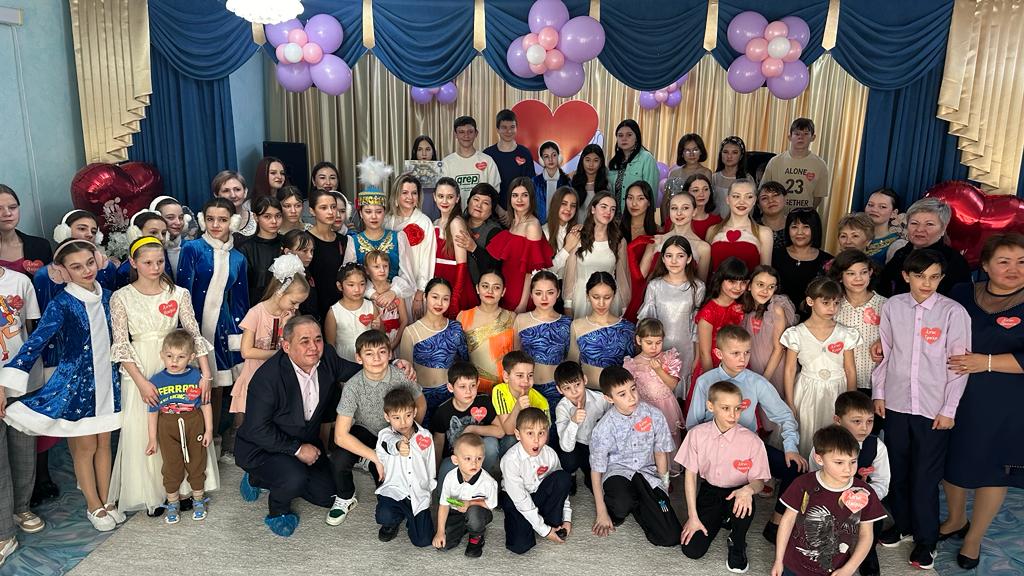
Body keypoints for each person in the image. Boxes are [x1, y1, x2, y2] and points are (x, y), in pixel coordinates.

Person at [1, 239, 123, 532]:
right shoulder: (62, 303)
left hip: (109, 382)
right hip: (77, 385)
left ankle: (107, 500)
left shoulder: (109, 298)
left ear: (97, 260)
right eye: (76, 267)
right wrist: (8, 380)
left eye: (89, 263)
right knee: (85, 446)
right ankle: (93, 505)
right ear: (64, 272)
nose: (86, 271)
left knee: (104, 442)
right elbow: (35, 342)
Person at [872, 249, 971, 569]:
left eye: (934, 277)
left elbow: (959, 365)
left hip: (933, 408)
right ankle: (902, 526)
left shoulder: (953, 313)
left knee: (925, 477)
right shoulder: (893, 306)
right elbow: (886, 354)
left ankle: (926, 540)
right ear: (906, 276)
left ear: (942, 278)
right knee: (897, 470)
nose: (926, 283)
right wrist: (879, 393)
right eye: (919, 276)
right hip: (897, 402)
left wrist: (949, 409)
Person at [108, 236, 217, 514]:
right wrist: (141, 382)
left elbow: (193, 333)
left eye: (159, 262)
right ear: (133, 263)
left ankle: (185, 490)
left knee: (183, 420)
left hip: (176, 360)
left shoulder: (178, 293)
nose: (155, 268)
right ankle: (153, 493)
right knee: (145, 426)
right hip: (141, 366)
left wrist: (205, 374)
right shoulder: (121, 297)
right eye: (147, 263)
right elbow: (121, 343)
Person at [941, 233, 1024, 570]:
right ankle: (956, 519)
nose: (1014, 269)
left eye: (1022, 262)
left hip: (1006, 401)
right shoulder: (962, 293)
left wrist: (985, 362)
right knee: (952, 459)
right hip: (954, 393)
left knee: (993, 469)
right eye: (1004, 261)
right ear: (986, 265)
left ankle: (974, 537)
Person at [235, 318, 360, 536]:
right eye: (304, 341)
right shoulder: (267, 378)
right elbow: (257, 429)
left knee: (327, 495)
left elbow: (359, 372)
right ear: (286, 346)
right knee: (294, 478)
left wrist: (393, 366)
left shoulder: (327, 357)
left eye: (318, 339)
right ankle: (276, 509)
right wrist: (297, 450)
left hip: (306, 441)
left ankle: (270, 478)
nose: (313, 347)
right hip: (262, 448)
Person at [687, 325, 808, 543]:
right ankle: (720, 508)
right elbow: (693, 424)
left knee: (795, 468)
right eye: (735, 353)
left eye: (747, 352)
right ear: (719, 353)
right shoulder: (705, 382)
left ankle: (776, 522)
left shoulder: (756, 382)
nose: (742, 359)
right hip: (715, 451)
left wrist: (790, 447)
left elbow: (785, 416)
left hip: (748, 451)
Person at [329, 330, 423, 528]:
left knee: (389, 488)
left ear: (390, 354)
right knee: (339, 458)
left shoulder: (400, 377)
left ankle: (375, 469)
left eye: (382, 352)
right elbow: (340, 436)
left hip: (394, 431)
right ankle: (345, 496)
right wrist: (376, 457)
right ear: (359, 358)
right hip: (365, 430)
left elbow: (420, 403)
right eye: (369, 354)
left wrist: (410, 432)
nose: (376, 358)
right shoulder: (353, 386)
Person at [176, 198, 248, 444]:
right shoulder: (192, 249)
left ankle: (213, 440)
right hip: (194, 324)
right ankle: (189, 442)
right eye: (210, 219)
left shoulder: (238, 258)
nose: (216, 225)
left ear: (232, 222)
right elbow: (182, 291)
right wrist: (185, 330)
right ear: (202, 220)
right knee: (190, 382)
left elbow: (240, 302)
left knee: (216, 386)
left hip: (222, 328)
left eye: (222, 220)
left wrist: (238, 337)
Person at [678, 381, 770, 572]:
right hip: (710, 491)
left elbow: (759, 481)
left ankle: (737, 541)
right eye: (725, 408)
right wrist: (692, 517)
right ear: (710, 406)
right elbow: (690, 477)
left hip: (739, 492)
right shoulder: (696, 435)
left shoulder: (752, 441)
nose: (733, 415)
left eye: (737, 408)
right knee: (692, 550)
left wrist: (748, 490)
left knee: (744, 504)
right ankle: (722, 518)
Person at [772, 425, 886, 576]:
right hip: (793, 565)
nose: (848, 469)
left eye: (853, 461)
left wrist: (849, 568)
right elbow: (787, 521)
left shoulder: (864, 492)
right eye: (839, 462)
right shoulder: (803, 484)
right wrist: (778, 560)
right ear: (819, 459)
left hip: (836, 568)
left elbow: (866, 535)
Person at [589, 366, 680, 547]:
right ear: (609, 398)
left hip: (647, 473)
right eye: (622, 394)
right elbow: (596, 470)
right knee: (621, 506)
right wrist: (601, 512)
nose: (631, 397)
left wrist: (664, 487)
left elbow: (661, 453)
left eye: (633, 389)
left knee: (670, 537)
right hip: (618, 473)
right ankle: (626, 504)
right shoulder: (603, 428)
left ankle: (641, 505)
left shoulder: (654, 415)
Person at [229, 255, 309, 448]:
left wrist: (288, 325)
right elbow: (246, 351)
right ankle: (240, 450)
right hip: (254, 375)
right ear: (280, 292)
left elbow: (293, 348)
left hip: (277, 379)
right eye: (294, 302)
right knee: (246, 420)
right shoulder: (256, 313)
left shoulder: (290, 316)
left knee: (271, 421)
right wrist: (276, 354)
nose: (296, 307)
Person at [808, 392, 890, 576]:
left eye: (870, 421)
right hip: (828, 500)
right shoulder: (823, 445)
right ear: (838, 420)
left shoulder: (877, 447)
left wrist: (864, 498)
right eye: (857, 421)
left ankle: (867, 554)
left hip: (862, 502)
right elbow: (813, 478)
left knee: (874, 517)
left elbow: (882, 482)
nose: (864, 428)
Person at [782, 277, 859, 456]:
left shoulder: (845, 333)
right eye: (826, 303)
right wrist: (790, 401)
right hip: (806, 391)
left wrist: (852, 401)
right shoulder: (796, 333)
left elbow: (850, 369)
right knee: (806, 431)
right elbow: (790, 369)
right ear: (810, 301)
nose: (832, 308)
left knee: (835, 437)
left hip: (837, 390)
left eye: (836, 303)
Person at [144, 330, 213, 524]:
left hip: (193, 422)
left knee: (197, 461)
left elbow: (206, 404)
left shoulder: (197, 377)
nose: (174, 361)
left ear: (191, 357)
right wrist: (152, 438)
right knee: (171, 465)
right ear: (162, 355)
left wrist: (208, 430)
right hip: (167, 425)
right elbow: (152, 411)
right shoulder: (156, 381)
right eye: (169, 356)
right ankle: (173, 502)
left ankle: (198, 499)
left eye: (181, 357)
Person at [0, 260, 44, 556]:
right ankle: (4, 532)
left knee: (23, 446)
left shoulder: (19, 281)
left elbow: (28, 331)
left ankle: (21, 508)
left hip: (21, 378)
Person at [638, 236, 705, 400]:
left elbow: (697, 327)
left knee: (681, 394)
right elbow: (647, 323)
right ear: (663, 258)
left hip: (686, 348)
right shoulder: (655, 285)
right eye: (669, 256)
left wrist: (697, 356)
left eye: (680, 256)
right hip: (659, 348)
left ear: (689, 258)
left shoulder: (697, 287)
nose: (674, 261)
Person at [499, 407, 572, 554]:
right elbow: (521, 500)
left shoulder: (550, 454)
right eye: (530, 433)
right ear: (518, 435)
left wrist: (567, 518)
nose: (536, 440)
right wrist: (544, 531)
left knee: (563, 477)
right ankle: (534, 523)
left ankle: (547, 520)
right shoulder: (510, 460)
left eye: (541, 433)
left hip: (539, 493)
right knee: (520, 546)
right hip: (516, 500)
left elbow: (562, 487)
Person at [345, 159, 416, 305]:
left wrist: (393, 292)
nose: (373, 216)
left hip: (396, 302)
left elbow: (408, 275)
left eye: (378, 211)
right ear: (361, 214)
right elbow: (348, 276)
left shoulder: (398, 237)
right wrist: (372, 294)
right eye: (368, 212)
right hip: (364, 302)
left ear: (384, 213)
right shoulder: (353, 242)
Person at [399, 278, 468, 427]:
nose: (439, 303)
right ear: (425, 297)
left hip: (451, 397)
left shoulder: (456, 328)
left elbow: (465, 363)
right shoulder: (411, 331)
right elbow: (405, 374)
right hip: (421, 398)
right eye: (435, 297)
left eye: (445, 299)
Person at [374, 388, 436, 547]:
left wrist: (428, 493)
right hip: (395, 491)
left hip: (417, 493)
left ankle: (412, 518)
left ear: (414, 412)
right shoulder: (385, 435)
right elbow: (390, 444)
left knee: (423, 541)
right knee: (384, 515)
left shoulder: (426, 436)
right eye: (396, 417)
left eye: (407, 415)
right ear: (387, 417)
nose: (403, 423)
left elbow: (430, 467)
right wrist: (399, 445)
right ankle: (392, 522)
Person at [878, 197, 971, 297]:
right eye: (914, 223)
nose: (919, 229)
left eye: (929, 224)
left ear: (943, 229)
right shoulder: (902, 253)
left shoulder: (954, 262)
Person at [486, 177, 554, 312]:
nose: (519, 200)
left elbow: (531, 271)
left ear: (531, 198)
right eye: (515, 195)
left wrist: (523, 303)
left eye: (524, 195)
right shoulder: (514, 222)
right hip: (506, 285)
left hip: (520, 292)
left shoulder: (532, 225)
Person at [829, 251, 886, 406]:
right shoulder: (833, 306)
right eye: (851, 273)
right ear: (840, 276)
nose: (858, 278)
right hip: (840, 380)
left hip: (875, 383)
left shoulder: (885, 305)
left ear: (871, 273)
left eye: (863, 272)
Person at [429, 361, 503, 480]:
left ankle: (490, 480)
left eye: (472, 385)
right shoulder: (442, 412)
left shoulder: (484, 401)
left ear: (478, 384)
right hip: (457, 459)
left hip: (479, 457)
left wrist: (472, 429)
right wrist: (435, 472)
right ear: (451, 387)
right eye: (462, 386)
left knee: (491, 443)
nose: (468, 391)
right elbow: (438, 444)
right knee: (445, 469)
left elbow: (500, 431)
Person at [564, 192, 630, 318]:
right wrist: (568, 304)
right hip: (581, 298)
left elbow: (622, 277)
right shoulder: (577, 236)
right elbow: (570, 275)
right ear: (593, 209)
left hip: (609, 299)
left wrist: (624, 307)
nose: (608, 212)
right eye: (604, 207)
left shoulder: (619, 241)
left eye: (612, 209)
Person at [623, 318, 684, 456]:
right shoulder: (632, 364)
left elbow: (673, 385)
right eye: (649, 343)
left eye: (658, 342)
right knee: (649, 440)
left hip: (666, 407)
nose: (654, 347)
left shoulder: (668, 358)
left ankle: (669, 466)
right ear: (639, 340)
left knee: (669, 438)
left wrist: (659, 370)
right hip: (645, 409)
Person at [692, 257, 748, 406]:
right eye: (732, 281)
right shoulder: (708, 312)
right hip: (713, 366)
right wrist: (713, 384)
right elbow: (704, 353)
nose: (738, 287)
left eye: (743, 282)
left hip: (736, 364)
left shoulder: (741, 307)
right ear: (720, 280)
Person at [433, 433, 499, 558]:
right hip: (456, 512)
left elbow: (491, 504)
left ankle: (476, 537)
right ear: (455, 460)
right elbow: (444, 504)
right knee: (442, 545)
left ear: (483, 458)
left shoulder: (488, 482)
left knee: (474, 515)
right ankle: (463, 527)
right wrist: (440, 532)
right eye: (468, 459)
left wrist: (469, 503)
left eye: (478, 458)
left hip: (479, 512)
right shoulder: (450, 478)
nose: (474, 464)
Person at [515, 271, 572, 408]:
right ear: (531, 294)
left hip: (557, 388)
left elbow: (570, 359)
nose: (544, 298)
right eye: (538, 293)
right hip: (527, 388)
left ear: (558, 293)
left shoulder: (567, 323)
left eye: (550, 293)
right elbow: (515, 357)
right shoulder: (521, 320)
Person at [568, 272, 636, 389]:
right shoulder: (577, 325)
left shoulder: (627, 328)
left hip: (618, 394)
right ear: (587, 295)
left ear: (614, 295)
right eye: (595, 297)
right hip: (587, 393)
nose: (601, 303)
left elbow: (633, 367)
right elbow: (572, 366)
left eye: (607, 297)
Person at [553, 360, 609, 493]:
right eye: (567, 388)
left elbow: (613, 421)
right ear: (559, 390)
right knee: (568, 460)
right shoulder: (562, 408)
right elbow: (566, 447)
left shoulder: (600, 399)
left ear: (585, 379)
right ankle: (571, 474)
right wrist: (573, 422)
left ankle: (587, 473)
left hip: (595, 445)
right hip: (576, 445)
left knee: (596, 484)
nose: (574, 391)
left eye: (577, 384)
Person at [385, 173, 436, 318]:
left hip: (413, 291)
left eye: (414, 193)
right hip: (388, 289)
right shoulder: (387, 221)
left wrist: (419, 295)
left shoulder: (424, 222)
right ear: (396, 195)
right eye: (405, 193)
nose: (410, 197)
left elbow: (427, 261)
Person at [742, 265, 795, 397]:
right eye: (760, 285)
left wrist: (763, 380)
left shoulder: (776, 309)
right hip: (751, 365)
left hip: (773, 368)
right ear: (749, 285)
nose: (765, 291)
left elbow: (779, 349)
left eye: (771, 287)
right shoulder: (745, 309)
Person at [457, 271, 515, 393]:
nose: (490, 291)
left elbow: (517, 358)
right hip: (472, 388)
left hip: (505, 388)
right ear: (477, 288)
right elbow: (458, 357)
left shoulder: (512, 318)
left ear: (503, 291)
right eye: (485, 286)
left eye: (496, 287)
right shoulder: (463, 317)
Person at [773, 209, 833, 320]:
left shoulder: (828, 261)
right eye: (794, 227)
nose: (799, 232)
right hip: (778, 318)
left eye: (806, 227)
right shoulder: (775, 255)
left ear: (815, 229)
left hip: (814, 321)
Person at [761, 118, 831, 214]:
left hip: (803, 217)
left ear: (813, 137)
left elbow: (818, 197)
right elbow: (763, 191)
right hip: (777, 216)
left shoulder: (820, 165)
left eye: (806, 134)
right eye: (797, 134)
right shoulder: (775, 162)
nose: (801, 137)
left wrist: (805, 214)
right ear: (790, 137)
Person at [431, 177, 476, 317]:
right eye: (441, 196)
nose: (444, 201)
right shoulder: (435, 222)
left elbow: (462, 264)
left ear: (457, 199)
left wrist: (455, 297)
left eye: (450, 197)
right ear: (434, 197)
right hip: (438, 280)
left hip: (454, 281)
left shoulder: (456, 223)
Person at [708, 180, 774, 275]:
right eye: (736, 196)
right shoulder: (713, 230)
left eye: (749, 197)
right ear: (727, 199)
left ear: (754, 200)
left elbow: (765, 274)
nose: (742, 202)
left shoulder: (764, 233)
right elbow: (707, 271)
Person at [644, 191, 711, 282]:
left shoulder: (703, 248)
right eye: (674, 208)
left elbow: (701, 285)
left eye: (685, 208)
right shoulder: (655, 241)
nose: (679, 213)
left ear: (694, 211)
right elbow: (642, 277)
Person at [492, 350, 549, 456]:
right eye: (520, 375)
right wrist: (518, 407)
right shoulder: (500, 391)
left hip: (533, 442)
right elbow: (508, 430)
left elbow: (545, 438)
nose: (526, 380)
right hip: (508, 440)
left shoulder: (541, 401)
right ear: (506, 376)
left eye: (530, 375)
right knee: (512, 439)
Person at [482, 109, 536, 213]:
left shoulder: (525, 153)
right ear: (497, 129)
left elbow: (530, 186)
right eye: (504, 127)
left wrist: (518, 210)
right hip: (493, 212)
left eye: (512, 127)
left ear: (517, 128)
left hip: (519, 211)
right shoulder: (487, 154)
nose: (509, 131)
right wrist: (498, 210)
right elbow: (484, 187)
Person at [441, 116, 500, 210]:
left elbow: (494, 191)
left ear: (476, 133)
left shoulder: (487, 161)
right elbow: (442, 193)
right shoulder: (446, 163)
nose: (466, 136)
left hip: (482, 215)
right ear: (455, 134)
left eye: (470, 132)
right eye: (461, 132)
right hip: (454, 215)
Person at [306, 189, 348, 322]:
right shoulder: (305, 241)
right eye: (323, 208)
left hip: (341, 307)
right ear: (312, 211)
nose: (330, 212)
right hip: (314, 309)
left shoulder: (343, 241)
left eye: (333, 207)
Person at [325, 263, 379, 362]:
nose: (357, 289)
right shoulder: (334, 312)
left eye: (362, 284)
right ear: (340, 286)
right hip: (344, 360)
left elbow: (381, 335)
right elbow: (330, 345)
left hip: (369, 359)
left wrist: (377, 327)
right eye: (351, 285)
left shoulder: (371, 307)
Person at [621, 181, 659, 321]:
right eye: (630, 198)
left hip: (642, 294)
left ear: (649, 203)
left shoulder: (658, 232)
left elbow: (641, 276)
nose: (634, 203)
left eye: (640, 198)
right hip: (618, 290)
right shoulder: (615, 228)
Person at [237, 196, 283, 305]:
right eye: (267, 216)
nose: (274, 221)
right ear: (256, 217)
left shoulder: (287, 243)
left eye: (278, 216)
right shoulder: (245, 249)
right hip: (255, 307)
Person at [607, 119, 659, 210]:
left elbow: (651, 192)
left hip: (637, 213)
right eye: (620, 135)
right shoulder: (614, 162)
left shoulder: (646, 158)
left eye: (629, 135)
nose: (624, 138)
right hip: (614, 214)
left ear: (637, 137)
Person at [457, 184, 503, 284]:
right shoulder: (458, 223)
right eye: (476, 199)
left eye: (485, 203)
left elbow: (494, 268)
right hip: (457, 283)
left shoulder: (495, 231)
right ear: (468, 201)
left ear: (492, 209)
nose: (479, 205)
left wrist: (474, 248)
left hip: (480, 288)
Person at [115, 211, 172, 288]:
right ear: (137, 234)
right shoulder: (124, 270)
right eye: (153, 232)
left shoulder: (165, 257)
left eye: (164, 233)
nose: (161, 238)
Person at [365, 250, 406, 349]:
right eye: (376, 267)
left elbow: (404, 320)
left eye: (385, 266)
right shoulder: (366, 293)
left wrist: (395, 343)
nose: (382, 270)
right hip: (376, 341)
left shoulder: (396, 289)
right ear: (367, 270)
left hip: (396, 338)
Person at [281, 229, 320, 321]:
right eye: (304, 251)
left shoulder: (306, 269)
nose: (310, 256)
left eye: (311, 251)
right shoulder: (282, 276)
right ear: (288, 252)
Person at [711, 136, 753, 219]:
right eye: (725, 152)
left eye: (734, 152)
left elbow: (751, 207)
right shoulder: (714, 178)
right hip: (716, 223)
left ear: (741, 156)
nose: (729, 156)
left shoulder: (747, 179)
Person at [544, 187, 581, 279]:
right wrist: (566, 249)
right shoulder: (542, 232)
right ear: (555, 205)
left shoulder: (578, 231)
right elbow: (545, 272)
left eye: (573, 205)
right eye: (564, 204)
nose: (568, 209)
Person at [150, 196, 193, 273]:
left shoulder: (192, 249)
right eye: (170, 217)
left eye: (181, 217)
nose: (178, 222)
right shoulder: (144, 252)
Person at [532, 141, 571, 224]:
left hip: (561, 225)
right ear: (541, 160)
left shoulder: (567, 182)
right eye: (546, 156)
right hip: (539, 226)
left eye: (554, 155)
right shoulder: (535, 182)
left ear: (559, 157)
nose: (550, 159)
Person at [863, 188, 904, 265]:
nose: (874, 210)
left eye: (882, 207)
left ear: (893, 213)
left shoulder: (897, 245)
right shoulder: (853, 236)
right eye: (870, 205)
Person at [569, 144, 608, 223]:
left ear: (601, 163)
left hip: (598, 227)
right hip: (576, 227)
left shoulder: (606, 184)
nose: (591, 164)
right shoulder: (573, 182)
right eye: (587, 160)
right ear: (582, 161)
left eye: (595, 160)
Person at [211, 170, 256, 238]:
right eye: (226, 191)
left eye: (237, 189)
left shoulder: (257, 220)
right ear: (216, 195)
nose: (233, 195)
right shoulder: (210, 223)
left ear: (245, 192)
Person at [686, 174, 723, 242]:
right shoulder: (676, 220)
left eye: (706, 189)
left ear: (710, 192)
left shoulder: (717, 221)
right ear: (687, 193)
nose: (701, 194)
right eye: (696, 190)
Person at [754, 180, 789, 253]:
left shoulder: (796, 225)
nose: (771, 201)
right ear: (758, 205)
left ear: (785, 198)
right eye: (764, 198)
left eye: (775, 195)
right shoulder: (752, 228)